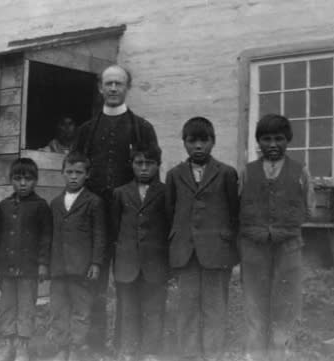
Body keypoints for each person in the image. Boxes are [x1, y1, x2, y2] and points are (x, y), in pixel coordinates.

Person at [73, 64, 159, 350]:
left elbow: (152, 179)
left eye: (118, 84)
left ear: (127, 88)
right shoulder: (86, 131)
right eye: (108, 83)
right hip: (93, 220)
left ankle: (125, 345)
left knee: (128, 283)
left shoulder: (142, 128)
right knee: (93, 283)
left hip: (129, 219)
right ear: (100, 88)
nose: (112, 89)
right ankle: (94, 345)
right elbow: (75, 171)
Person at [239, 114, 315, 361]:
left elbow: (309, 208)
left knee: (286, 303)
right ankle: (255, 353)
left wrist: (286, 226)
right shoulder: (247, 172)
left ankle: (282, 353)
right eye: (266, 139)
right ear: (258, 142)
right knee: (254, 302)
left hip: (289, 248)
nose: (272, 144)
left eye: (278, 139)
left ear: (288, 141)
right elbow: (237, 206)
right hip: (254, 248)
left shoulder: (300, 171)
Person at [165, 117, 239, 361]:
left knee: (214, 307)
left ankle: (213, 355)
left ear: (213, 142)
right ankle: (188, 354)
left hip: (216, 250)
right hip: (185, 250)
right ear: (184, 143)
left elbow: (234, 212)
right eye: (192, 140)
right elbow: (170, 211)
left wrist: (231, 248)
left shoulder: (227, 173)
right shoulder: (174, 175)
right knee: (186, 307)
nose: (198, 146)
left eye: (204, 140)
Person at [0, 158, 53, 361]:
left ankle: (22, 347)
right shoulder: (4, 206)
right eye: (17, 178)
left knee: (26, 306)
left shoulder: (41, 206)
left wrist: (43, 264)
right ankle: (9, 345)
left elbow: (46, 237)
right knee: (7, 305)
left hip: (29, 268)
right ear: (11, 181)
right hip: (6, 266)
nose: (23, 183)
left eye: (28, 179)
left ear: (35, 181)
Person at [110, 143, 169, 361]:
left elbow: (169, 226)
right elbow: (115, 230)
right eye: (139, 163)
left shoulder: (165, 192)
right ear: (131, 165)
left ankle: (151, 352)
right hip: (127, 263)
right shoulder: (120, 193)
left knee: (154, 308)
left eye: (150, 163)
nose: (144, 168)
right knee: (128, 309)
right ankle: (128, 351)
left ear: (158, 165)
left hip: (155, 263)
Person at [48, 152, 106, 361]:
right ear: (62, 173)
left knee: (81, 309)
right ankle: (61, 348)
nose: (73, 177)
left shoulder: (94, 202)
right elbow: (50, 235)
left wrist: (96, 263)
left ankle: (75, 348)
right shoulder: (55, 203)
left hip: (81, 267)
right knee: (58, 309)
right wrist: (46, 264)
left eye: (78, 173)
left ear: (87, 175)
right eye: (69, 172)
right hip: (58, 266)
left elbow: (100, 234)